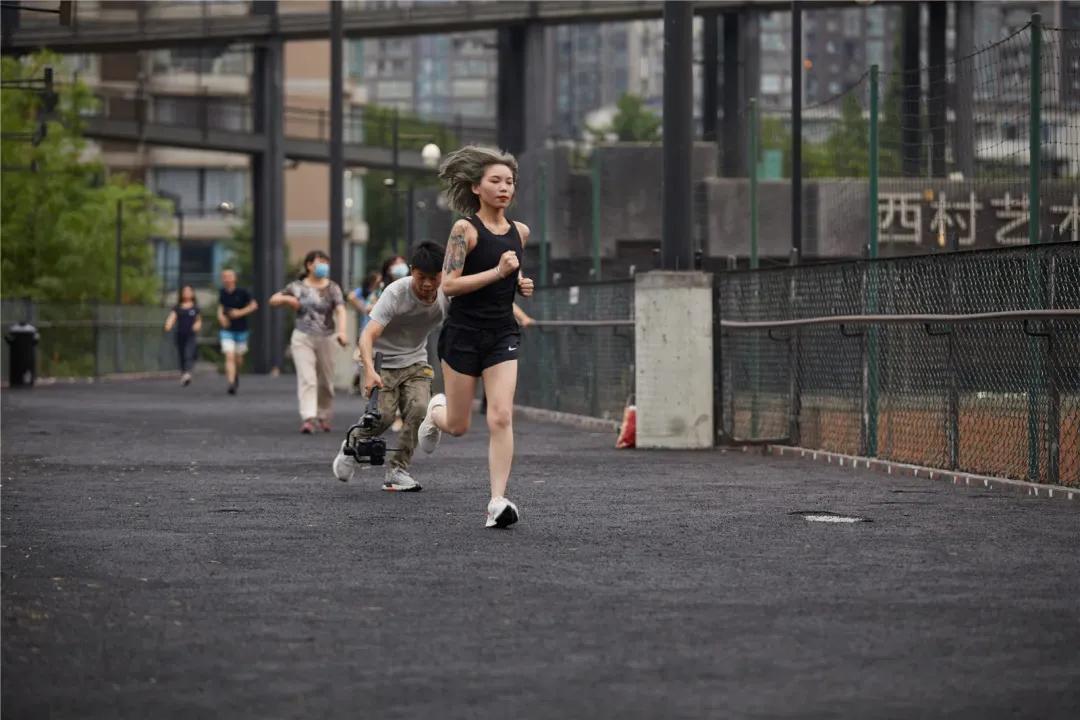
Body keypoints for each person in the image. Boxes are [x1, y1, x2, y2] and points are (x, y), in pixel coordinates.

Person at [416, 145, 535, 529]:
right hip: (463, 335)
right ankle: (434, 413)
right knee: (458, 425)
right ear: (476, 187)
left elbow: (509, 268)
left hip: (502, 334)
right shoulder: (464, 230)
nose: (504, 188)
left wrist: (520, 282)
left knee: (501, 415)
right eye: (495, 181)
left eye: (509, 182)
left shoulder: (520, 232)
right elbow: (449, 286)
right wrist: (499, 273)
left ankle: (497, 501)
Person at [332, 241, 448, 492]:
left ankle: (397, 470)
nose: (428, 284)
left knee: (419, 409)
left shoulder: (448, 294)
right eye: (421, 277)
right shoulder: (396, 293)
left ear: (444, 274)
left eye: (434, 278)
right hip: (381, 361)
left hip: (415, 360)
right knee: (383, 416)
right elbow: (367, 335)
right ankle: (352, 445)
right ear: (411, 271)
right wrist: (369, 371)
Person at [270, 250, 348, 433]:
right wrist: (288, 299)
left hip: (327, 337)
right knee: (308, 378)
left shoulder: (332, 288)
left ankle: (324, 415)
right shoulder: (297, 286)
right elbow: (273, 300)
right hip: (302, 337)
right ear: (309, 265)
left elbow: (341, 310)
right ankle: (308, 417)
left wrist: (342, 332)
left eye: (326, 263)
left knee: (325, 381)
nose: (323, 266)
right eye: (319, 262)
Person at [217, 268, 259, 395]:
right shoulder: (222, 292)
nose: (227, 279)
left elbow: (254, 305)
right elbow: (220, 307)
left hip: (241, 329)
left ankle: (235, 374)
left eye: (229, 276)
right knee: (229, 355)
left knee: (238, 358)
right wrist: (221, 317)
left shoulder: (243, 292)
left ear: (235, 278)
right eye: (224, 276)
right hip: (227, 330)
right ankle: (231, 383)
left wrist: (239, 313)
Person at [347, 270, 383, 394]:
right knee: (361, 356)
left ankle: (363, 380)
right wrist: (362, 307)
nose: (379, 282)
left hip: (379, 330)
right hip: (366, 328)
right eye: (377, 280)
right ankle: (359, 379)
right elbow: (351, 296)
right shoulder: (365, 292)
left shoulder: (382, 292)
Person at [163, 285, 202, 386]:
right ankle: (184, 374)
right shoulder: (177, 307)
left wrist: (197, 326)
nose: (186, 293)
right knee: (181, 354)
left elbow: (198, 320)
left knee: (188, 353)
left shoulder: (195, 308)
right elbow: (172, 317)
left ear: (192, 293)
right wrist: (168, 324)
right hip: (180, 335)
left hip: (191, 335)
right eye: (185, 291)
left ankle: (187, 373)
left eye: (189, 291)